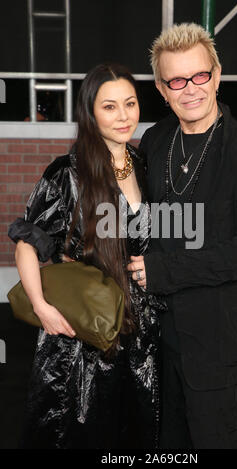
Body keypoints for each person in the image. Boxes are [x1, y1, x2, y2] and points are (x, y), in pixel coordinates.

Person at [127, 23, 237, 449]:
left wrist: (163, 269)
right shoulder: (156, 140)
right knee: (166, 442)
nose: (190, 89)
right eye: (177, 80)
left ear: (216, 75)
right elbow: (142, 220)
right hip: (157, 329)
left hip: (214, 337)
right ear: (162, 88)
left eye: (200, 75)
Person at [8, 63, 165, 449]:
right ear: (90, 112)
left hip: (141, 326)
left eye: (129, 103)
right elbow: (27, 242)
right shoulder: (67, 173)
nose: (123, 115)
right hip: (84, 329)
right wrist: (42, 307)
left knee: (135, 429)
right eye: (109, 106)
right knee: (80, 429)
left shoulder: (144, 165)